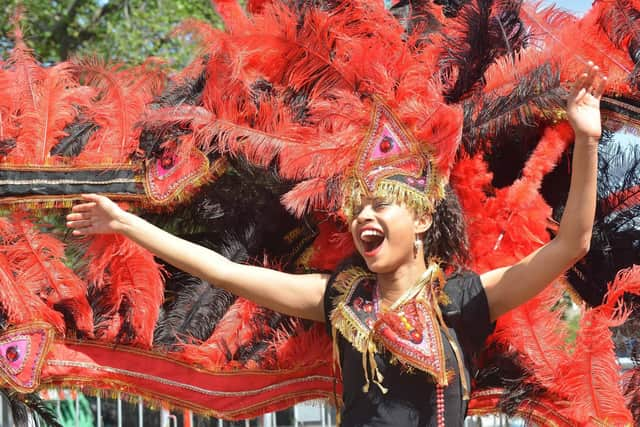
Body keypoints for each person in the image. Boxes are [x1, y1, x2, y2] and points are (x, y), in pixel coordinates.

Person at [66, 62, 606, 426]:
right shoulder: (340, 298)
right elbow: (225, 272)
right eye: (358, 209)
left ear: (421, 221)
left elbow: (571, 244)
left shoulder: (461, 300)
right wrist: (128, 225)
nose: (364, 218)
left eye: (381, 205)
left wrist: (585, 137)